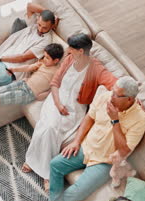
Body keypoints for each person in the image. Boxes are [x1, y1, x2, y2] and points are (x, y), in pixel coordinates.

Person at [37, 76, 145, 201]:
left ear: (130, 99)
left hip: (105, 162)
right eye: (113, 91)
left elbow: (123, 151)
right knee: (55, 164)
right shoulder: (105, 97)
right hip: (86, 148)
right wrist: (76, 141)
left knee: (79, 190)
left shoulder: (139, 119)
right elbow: (89, 118)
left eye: (116, 94)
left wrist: (115, 120)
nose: (111, 96)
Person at [22, 33, 118, 191]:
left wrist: (131, 96)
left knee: (51, 129)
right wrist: (58, 104)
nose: (68, 50)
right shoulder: (68, 59)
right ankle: (45, 171)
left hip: (74, 109)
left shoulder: (95, 68)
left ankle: (37, 164)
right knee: (48, 127)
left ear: (81, 51)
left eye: (71, 48)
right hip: (55, 100)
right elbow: (54, 83)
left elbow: (114, 83)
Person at [0, 43, 64, 110]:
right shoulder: (42, 63)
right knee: (1, 91)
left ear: (56, 60)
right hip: (24, 83)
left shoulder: (57, 71)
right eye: (44, 56)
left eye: (47, 58)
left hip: (30, 94)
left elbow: (55, 86)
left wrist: (45, 94)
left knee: (4, 97)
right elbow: (28, 67)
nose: (44, 59)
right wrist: (15, 70)